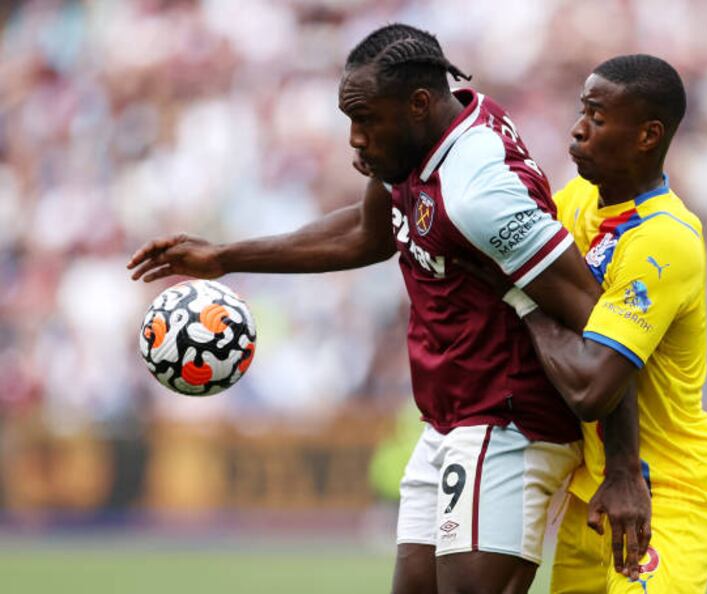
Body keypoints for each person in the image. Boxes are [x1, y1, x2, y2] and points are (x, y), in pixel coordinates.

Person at [127, 25, 649, 594]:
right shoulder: (421, 145)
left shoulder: (479, 195)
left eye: (366, 120)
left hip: (507, 416)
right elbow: (367, 231)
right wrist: (225, 256)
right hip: (451, 414)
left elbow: (597, 317)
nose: (355, 139)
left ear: (419, 104)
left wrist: (623, 469)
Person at [497, 55, 707, 593]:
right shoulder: (582, 198)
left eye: (599, 118)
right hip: (597, 484)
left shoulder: (664, 238)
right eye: (583, 111)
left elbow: (591, 386)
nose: (579, 129)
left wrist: (525, 299)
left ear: (648, 135)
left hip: (672, 486)